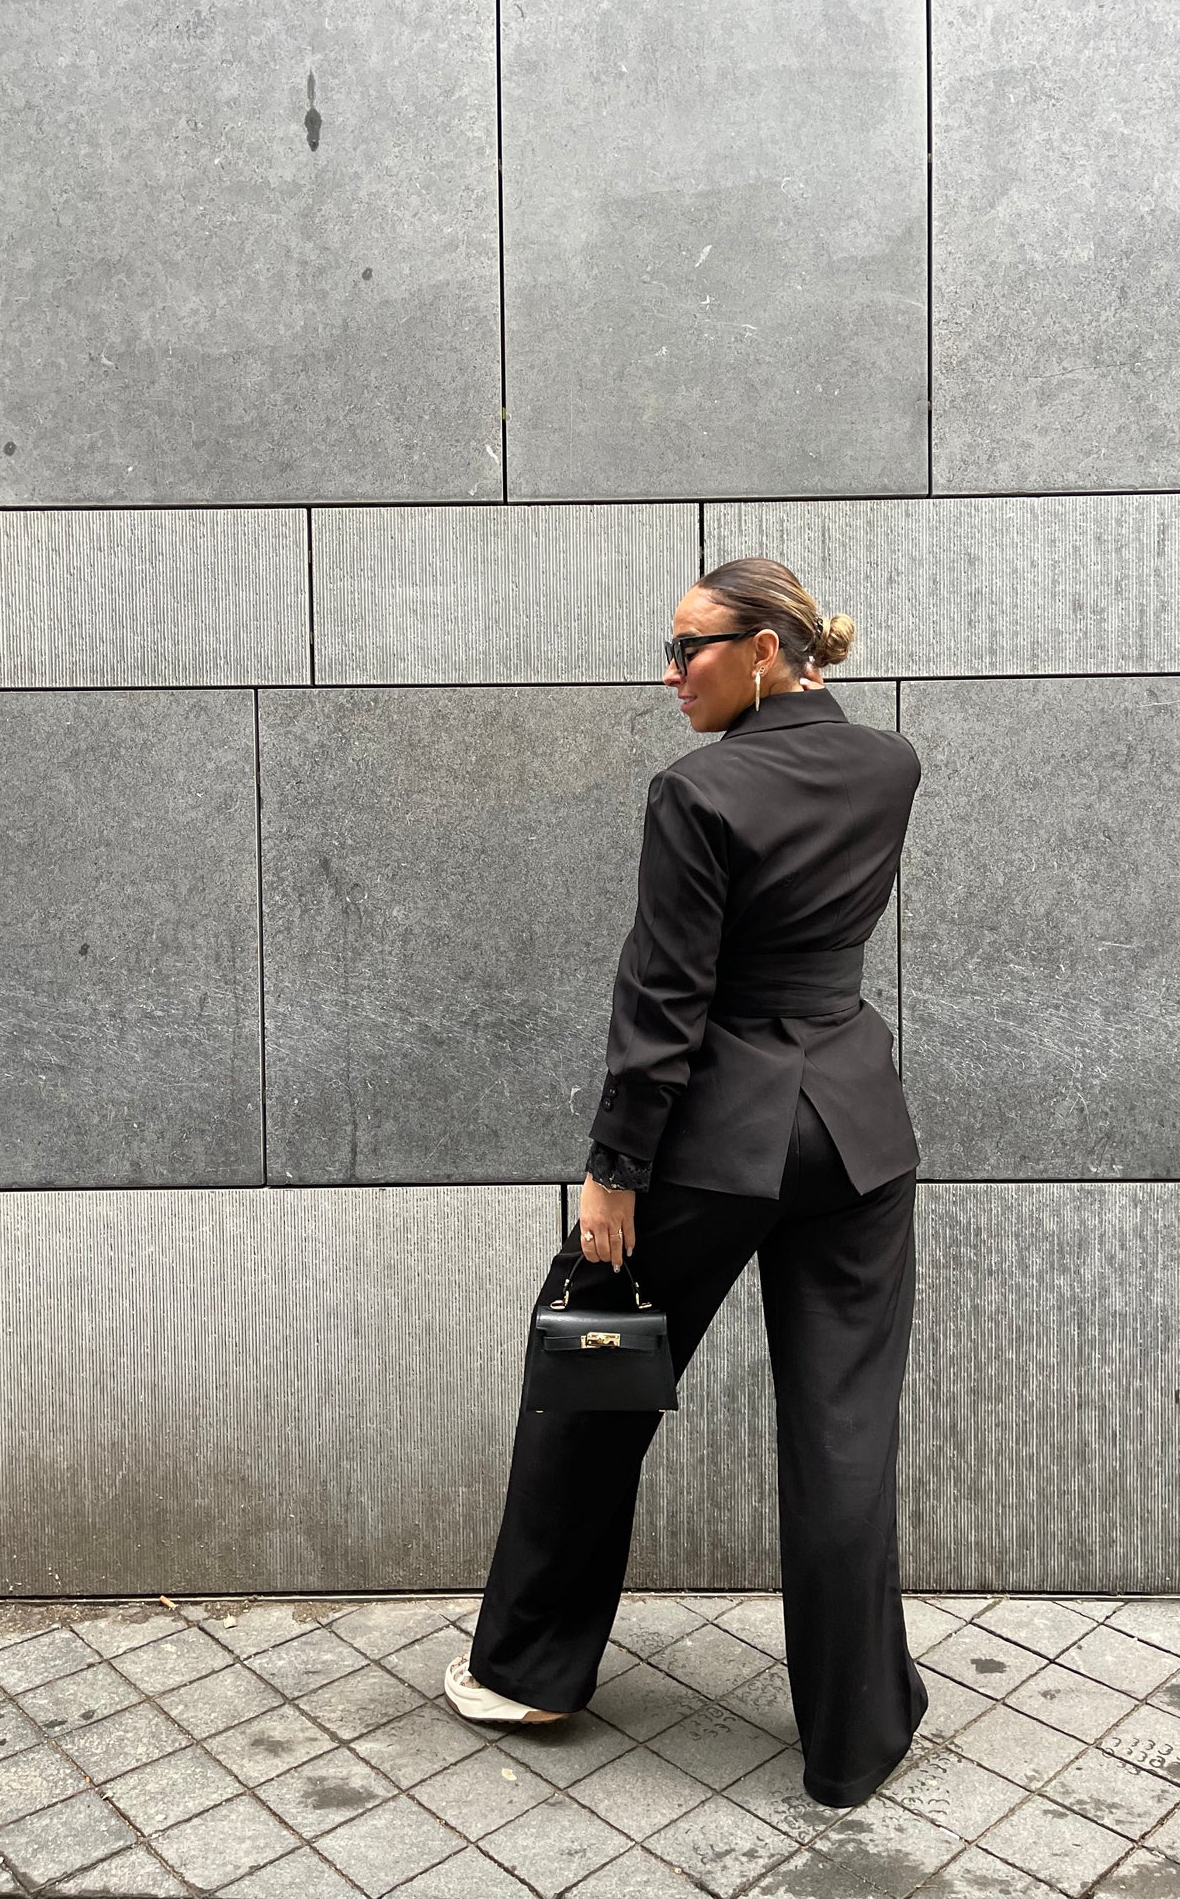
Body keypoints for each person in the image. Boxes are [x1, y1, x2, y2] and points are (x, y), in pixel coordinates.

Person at [444, 556, 929, 1808]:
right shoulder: (889, 766)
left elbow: (662, 1001)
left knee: (588, 1380)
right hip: (857, 1134)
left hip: (718, 1139)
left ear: (767, 649)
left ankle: (530, 1669)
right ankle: (853, 1734)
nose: (668, 673)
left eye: (689, 649)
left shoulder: (697, 789)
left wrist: (612, 1174)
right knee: (842, 1433)